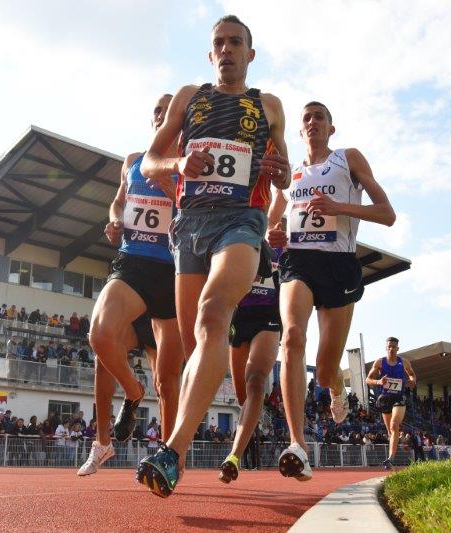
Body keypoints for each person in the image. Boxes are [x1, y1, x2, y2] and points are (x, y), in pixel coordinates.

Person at [136, 14, 290, 499]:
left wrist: (278, 169)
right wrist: (179, 162)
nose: (226, 50)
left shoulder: (267, 106)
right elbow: (149, 160)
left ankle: (172, 450)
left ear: (250, 53)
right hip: (190, 228)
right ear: (210, 54)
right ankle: (178, 450)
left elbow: (283, 173)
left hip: (241, 222)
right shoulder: (190, 97)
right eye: (218, 43)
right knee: (191, 345)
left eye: (235, 43)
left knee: (212, 313)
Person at [266, 101, 396, 481]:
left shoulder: (348, 158)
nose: (312, 122)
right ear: (300, 130)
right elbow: (273, 217)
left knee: (324, 371)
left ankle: (337, 388)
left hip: (339, 264)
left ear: (331, 127)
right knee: (291, 338)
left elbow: (387, 213)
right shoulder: (290, 172)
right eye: (306, 118)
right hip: (298, 261)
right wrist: (272, 232)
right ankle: (298, 444)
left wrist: (339, 206)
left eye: (319, 116)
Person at [77, 94, 185, 478]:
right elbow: (118, 202)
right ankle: (117, 420)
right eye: (157, 111)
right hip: (133, 264)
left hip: (174, 274)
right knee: (101, 338)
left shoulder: (189, 165)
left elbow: (196, 211)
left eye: (169, 113)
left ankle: (170, 459)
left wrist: (172, 183)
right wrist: (114, 222)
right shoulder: (133, 161)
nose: (161, 117)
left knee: (167, 379)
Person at [219, 245, 281, 483]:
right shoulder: (238, 236)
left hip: (268, 318)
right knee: (242, 397)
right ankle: (253, 418)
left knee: (255, 382)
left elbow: (275, 213)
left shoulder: (279, 244)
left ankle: (233, 457)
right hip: (239, 318)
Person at [366, 337, 417, 470]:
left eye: (394, 346)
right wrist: (378, 382)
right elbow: (368, 379)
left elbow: (412, 375)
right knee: (390, 431)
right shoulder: (380, 362)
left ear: (397, 348)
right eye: (389, 346)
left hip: (399, 397)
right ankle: (393, 448)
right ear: (386, 348)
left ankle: (390, 459)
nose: (391, 349)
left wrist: (412, 381)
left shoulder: (404, 362)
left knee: (394, 425)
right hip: (385, 398)